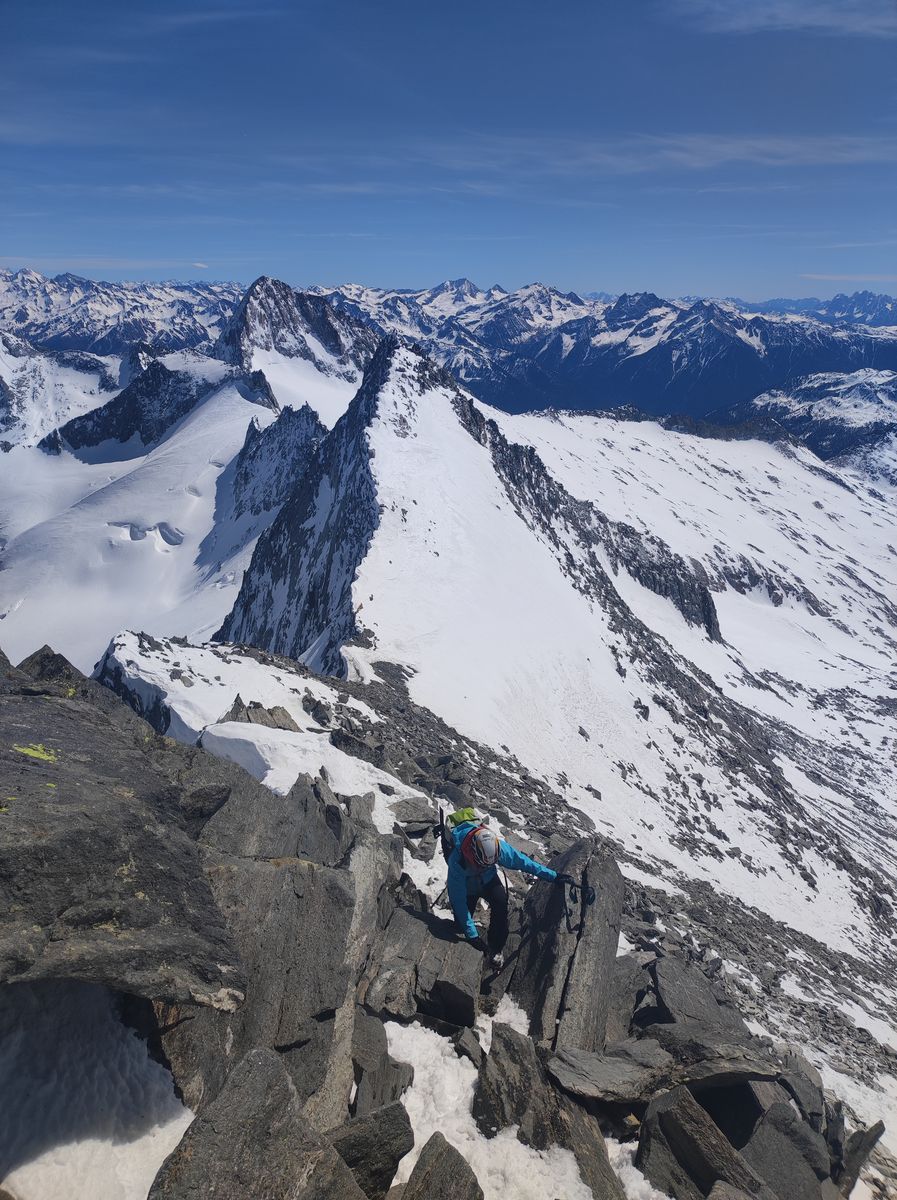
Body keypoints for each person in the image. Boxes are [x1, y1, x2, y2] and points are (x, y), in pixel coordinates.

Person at [445, 815, 572, 968]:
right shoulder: (457, 860)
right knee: (461, 925)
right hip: (467, 888)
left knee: (500, 905)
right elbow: (458, 899)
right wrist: (472, 936)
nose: (486, 866)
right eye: (483, 864)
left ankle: (496, 949)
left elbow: (525, 863)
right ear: (473, 853)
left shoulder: (498, 848)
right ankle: (468, 934)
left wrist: (554, 876)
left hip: (488, 880)